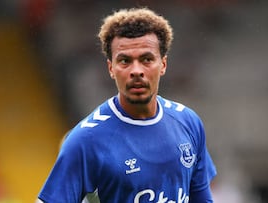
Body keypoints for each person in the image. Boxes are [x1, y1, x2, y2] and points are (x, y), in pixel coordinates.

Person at [36, 7, 217, 203]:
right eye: (125, 61)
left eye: (146, 59)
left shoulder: (188, 122)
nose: (136, 70)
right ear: (111, 68)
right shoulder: (86, 139)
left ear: (163, 64)